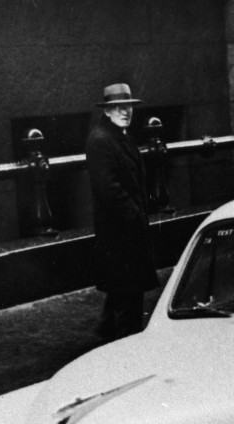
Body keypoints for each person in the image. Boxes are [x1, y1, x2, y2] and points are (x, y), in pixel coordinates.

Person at [86, 83, 157, 339]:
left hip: (126, 231)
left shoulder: (119, 135)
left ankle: (106, 333)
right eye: (118, 107)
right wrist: (134, 215)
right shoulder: (101, 140)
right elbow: (108, 188)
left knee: (123, 289)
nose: (125, 112)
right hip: (119, 232)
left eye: (128, 106)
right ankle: (128, 345)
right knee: (128, 294)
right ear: (107, 111)